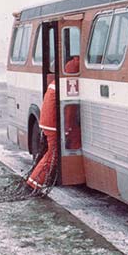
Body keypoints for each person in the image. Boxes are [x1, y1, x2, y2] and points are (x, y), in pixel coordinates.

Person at [26, 56, 80, 191]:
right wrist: (66, 128)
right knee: (53, 154)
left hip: (48, 122)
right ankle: (33, 184)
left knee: (56, 151)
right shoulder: (68, 83)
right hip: (53, 125)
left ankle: (35, 181)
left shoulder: (58, 81)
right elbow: (69, 110)